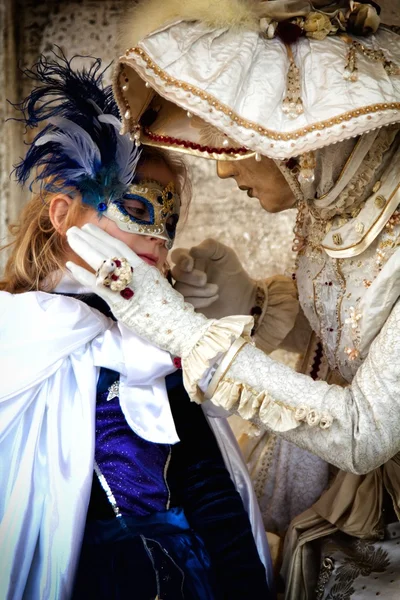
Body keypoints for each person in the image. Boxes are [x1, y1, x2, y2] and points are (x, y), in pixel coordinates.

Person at [66, 1, 400, 597]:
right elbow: (352, 336)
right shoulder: (335, 209)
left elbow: (364, 431)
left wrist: (188, 333)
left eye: (237, 138)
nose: (221, 171)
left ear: (304, 140)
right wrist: (249, 303)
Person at [0, 51, 274, 600]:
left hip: (184, 575)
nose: (158, 241)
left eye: (168, 224)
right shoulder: (19, 332)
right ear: (61, 215)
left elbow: (206, 480)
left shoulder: (157, 337)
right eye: (139, 211)